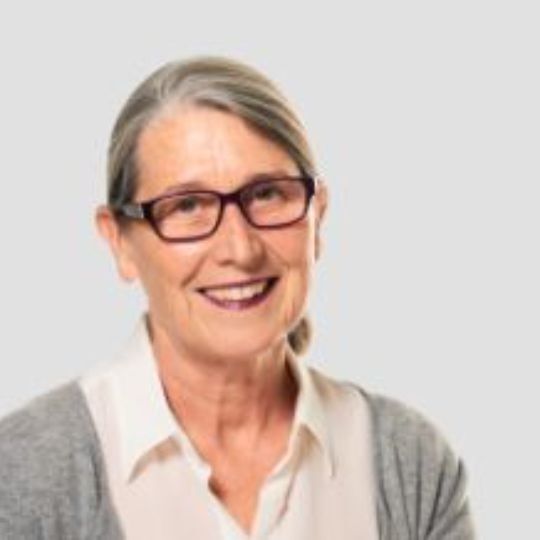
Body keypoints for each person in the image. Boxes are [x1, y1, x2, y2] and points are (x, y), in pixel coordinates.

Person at [0, 57, 475, 539]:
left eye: (267, 194)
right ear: (119, 241)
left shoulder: (410, 464)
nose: (240, 250)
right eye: (187, 205)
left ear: (318, 217)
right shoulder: (25, 474)